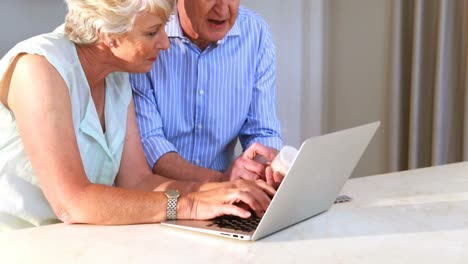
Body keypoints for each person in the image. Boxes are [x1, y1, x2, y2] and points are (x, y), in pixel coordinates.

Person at [0, 0, 276, 232]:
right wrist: (190, 205)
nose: (166, 43)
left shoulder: (118, 77)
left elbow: (139, 182)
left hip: (77, 243)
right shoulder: (38, 69)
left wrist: (216, 191)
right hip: (20, 243)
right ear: (107, 34)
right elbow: (73, 203)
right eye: (153, 32)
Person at [130, 0, 284, 186]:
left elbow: (262, 132)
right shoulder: (146, 32)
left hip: (229, 193)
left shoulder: (256, 34)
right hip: (162, 195)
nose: (222, 9)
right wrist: (220, 181)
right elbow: (149, 141)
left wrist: (261, 171)